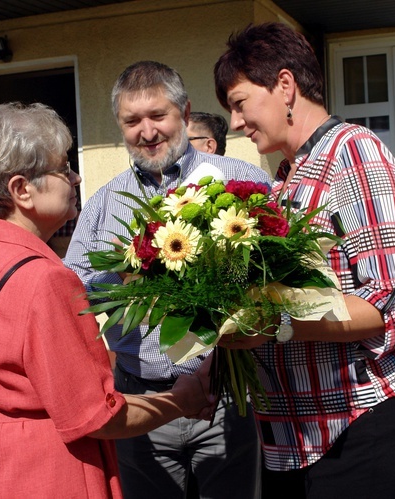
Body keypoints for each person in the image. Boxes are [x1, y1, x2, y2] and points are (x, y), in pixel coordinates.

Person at [0, 102, 216, 499]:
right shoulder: (45, 279)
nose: (75, 176)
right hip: (50, 472)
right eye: (62, 167)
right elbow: (96, 416)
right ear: (22, 189)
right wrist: (181, 400)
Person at [213, 23, 395, 498]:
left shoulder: (352, 152)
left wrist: (271, 323)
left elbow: (389, 305)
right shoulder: (286, 177)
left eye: (238, 103)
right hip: (297, 435)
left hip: (357, 421)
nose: (234, 123)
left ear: (285, 86)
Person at [63, 61, 270, 499]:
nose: (147, 131)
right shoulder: (104, 204)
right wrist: (122, 283)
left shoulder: (242, 181)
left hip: (226, 397)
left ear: (184, 112)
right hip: (141, 404)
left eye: (158, 116)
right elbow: (71, 293)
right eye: (132, 121)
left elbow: (274, 278)